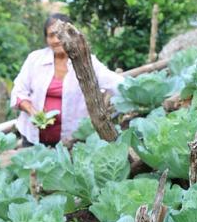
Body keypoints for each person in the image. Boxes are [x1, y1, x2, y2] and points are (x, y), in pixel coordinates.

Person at [10, 13, 124, 147]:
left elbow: (115, 83)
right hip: (33, 138)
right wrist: (33, 112)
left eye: (60, 35)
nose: (56, 40)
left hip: (72, 141)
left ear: (71, 35)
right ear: (46, 38)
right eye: (51, 35)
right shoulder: (35, 59)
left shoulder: (86, 61)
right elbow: (19, 91)